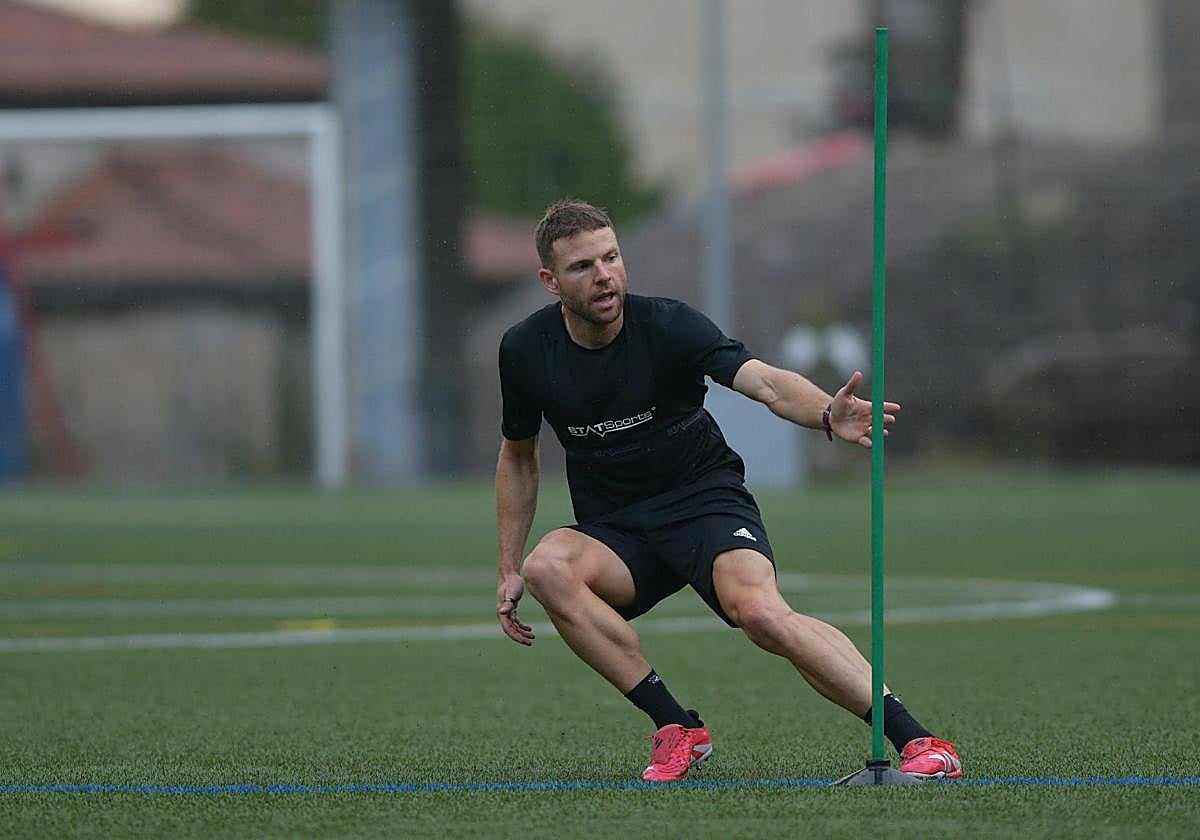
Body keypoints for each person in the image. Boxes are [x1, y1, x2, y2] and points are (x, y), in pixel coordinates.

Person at [494, 199, 961, 783]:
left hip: (703, 503)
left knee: (762, 614)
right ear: (550, 282)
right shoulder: (524, 349)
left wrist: (824, 413)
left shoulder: (669, 325)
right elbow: (518, 456)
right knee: (548, 568)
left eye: (611, 258)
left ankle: (920, 743)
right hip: (617, 532)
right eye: (583, 266)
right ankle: (676, 727)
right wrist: (508, 565)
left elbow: (763, 381)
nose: (604, 275)